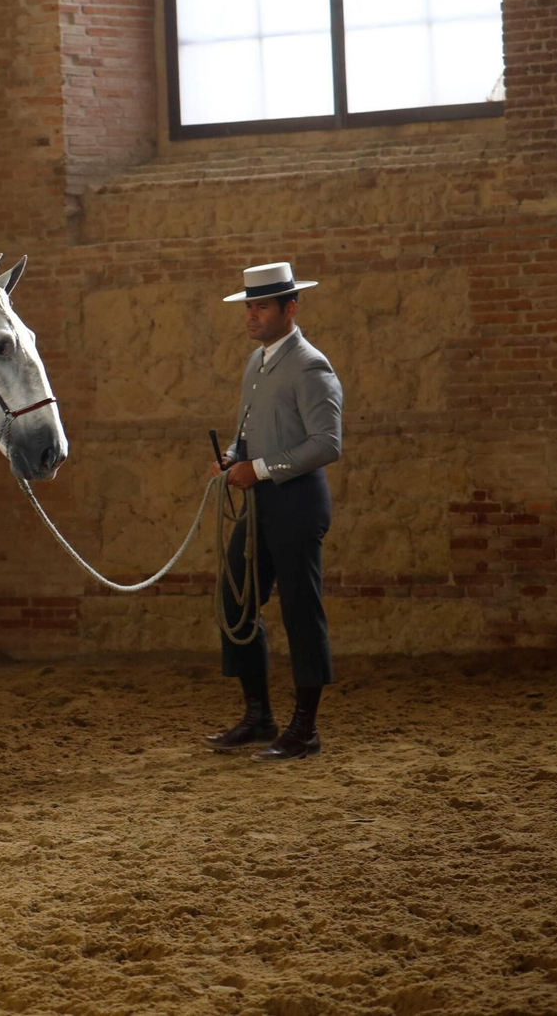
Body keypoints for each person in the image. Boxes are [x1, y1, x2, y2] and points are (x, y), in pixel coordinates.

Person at [205, 262, 343, 762]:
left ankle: (304, 729)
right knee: (235, 602)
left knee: (301, 612)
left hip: (298, 503)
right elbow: (252, 429)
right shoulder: (255, 362)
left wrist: (259, 469)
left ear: (290, 307)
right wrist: (238, 457)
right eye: (249, 306)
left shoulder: (310, 365)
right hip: (262, 504)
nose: (252, 315)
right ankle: (259, 716)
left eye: (262, 306)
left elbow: (327, 444)